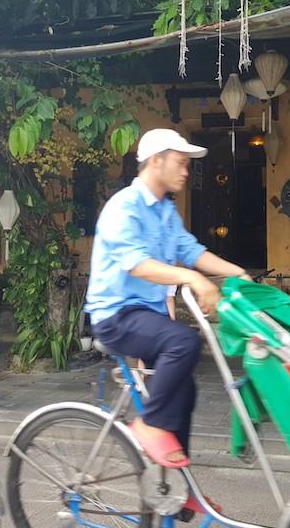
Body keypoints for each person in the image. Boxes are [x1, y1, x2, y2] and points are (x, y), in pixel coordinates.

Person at [86, 128, 249, 469]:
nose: (186, 171)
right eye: (181, 162)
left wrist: (238, 274)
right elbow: (137, 265)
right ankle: (148, 425)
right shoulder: (123, 207)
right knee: (185, 343)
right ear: (156, 161)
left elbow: (191, 251)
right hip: (115, 316)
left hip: (147, 315)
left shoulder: (166, 211)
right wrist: (193, 279)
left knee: (184, 391)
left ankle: (175, 479)